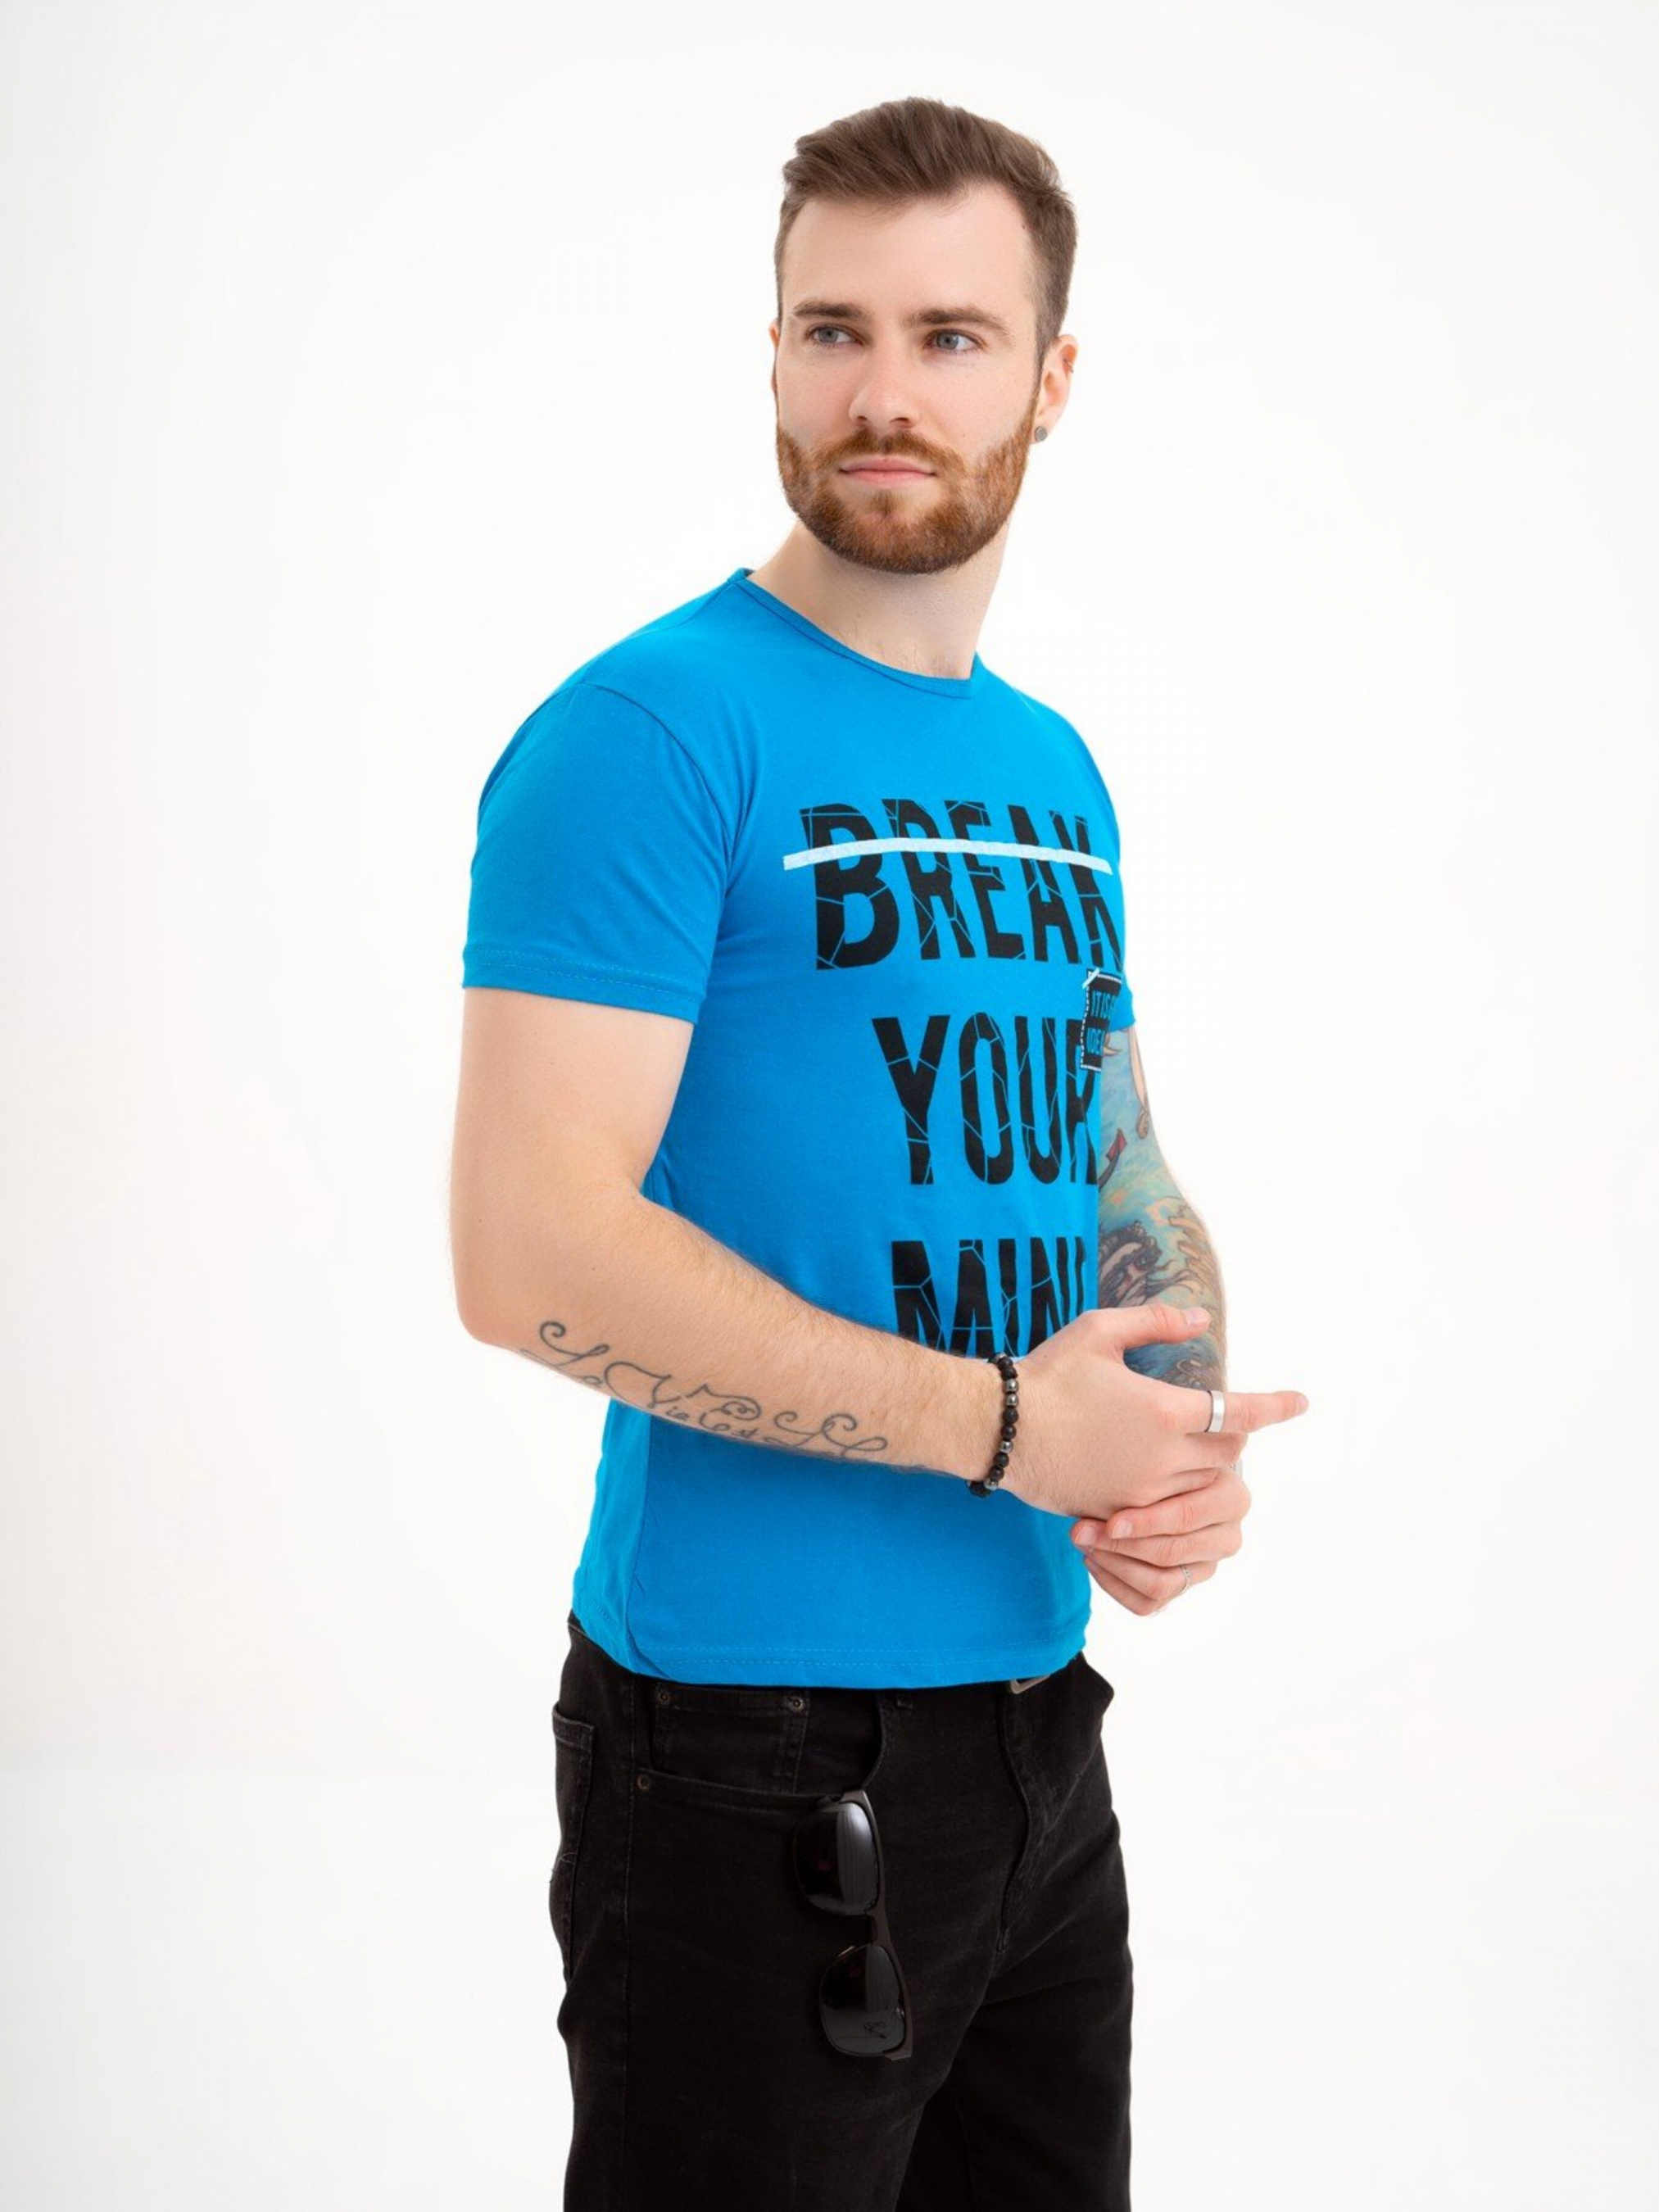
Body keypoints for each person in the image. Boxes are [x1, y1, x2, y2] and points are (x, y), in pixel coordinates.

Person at [450, 93, 1309, 2212]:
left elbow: (1113, 1152)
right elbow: (526, 1251)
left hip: (1034, 1723)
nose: (882, 392)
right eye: (833, 329)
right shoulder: (649, 736)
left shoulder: (1050, 768)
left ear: (1049, 375)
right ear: (771, 353)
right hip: (746, 1754)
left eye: (949, 335)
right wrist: (1007, 1428)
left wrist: (1167, 1433)